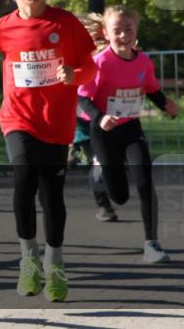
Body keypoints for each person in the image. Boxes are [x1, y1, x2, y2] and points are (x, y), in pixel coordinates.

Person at [0, 0, 96, 303]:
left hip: (57, 125)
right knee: (24, 177)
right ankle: (28, 259)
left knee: (51, 196)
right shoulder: (2, 27)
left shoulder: (66, 24)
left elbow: (90, 67)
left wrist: (75, 75)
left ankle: (54, 262)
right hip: (18, 119)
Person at [77, 6, 179, 263]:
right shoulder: (99, 63)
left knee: (145, 182)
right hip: (104, 132)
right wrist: (101, 118)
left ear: (136, 30)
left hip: (131, 128)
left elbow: (152, 88)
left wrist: (165, 104)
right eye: (117, 31)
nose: (123, 35)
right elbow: (83, 97)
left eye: (128, 29)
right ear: (106, 34)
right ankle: (101, 166)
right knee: (119, 196)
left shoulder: (144, 61)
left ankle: (151, 243)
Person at [75, 14, 116, 221]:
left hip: (110, 116)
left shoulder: (111, 54)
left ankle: (109, 197)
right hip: (83, 120)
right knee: (96, 162)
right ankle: (103, 205)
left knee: (109, 161)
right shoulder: (74, 55)